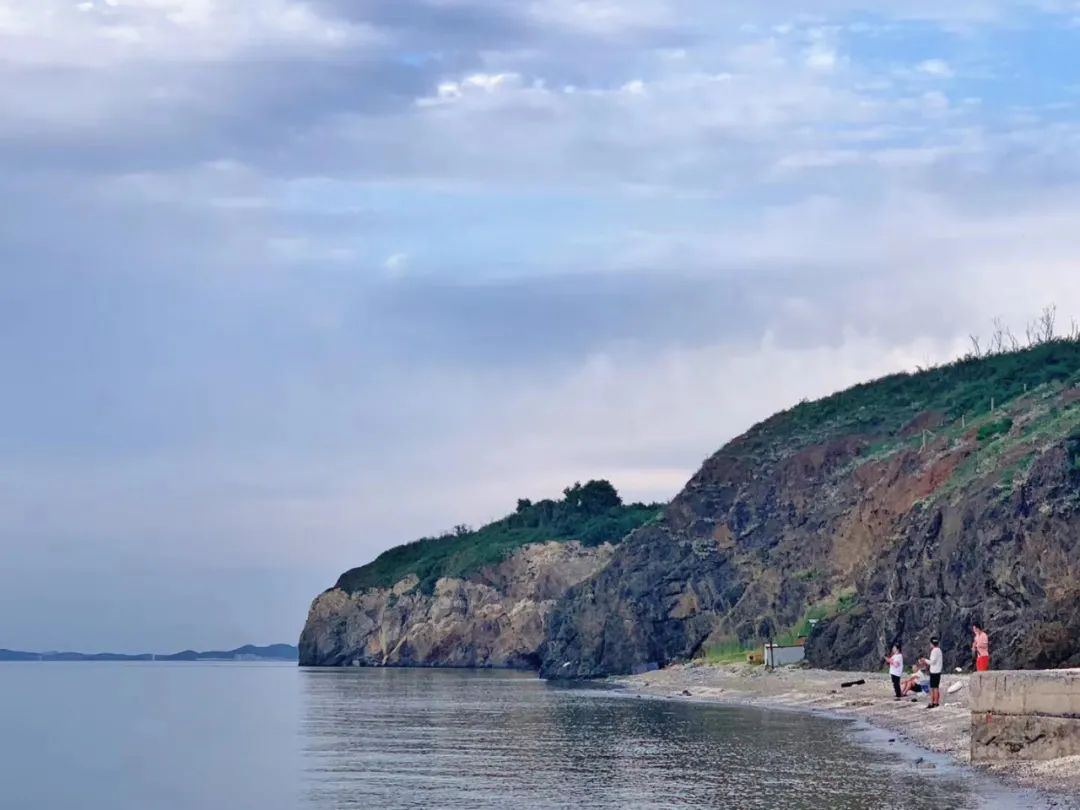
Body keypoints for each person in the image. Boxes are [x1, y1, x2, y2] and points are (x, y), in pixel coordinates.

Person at [919, 636, 943, 708]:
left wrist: (924, 660)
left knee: (933, 687)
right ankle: (936, 702)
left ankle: (933, 702)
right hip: (938, 671)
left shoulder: (934, 651)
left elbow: (932, 662)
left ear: (932, 643)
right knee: (936, 687)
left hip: (934, 672)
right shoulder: (939, 650)